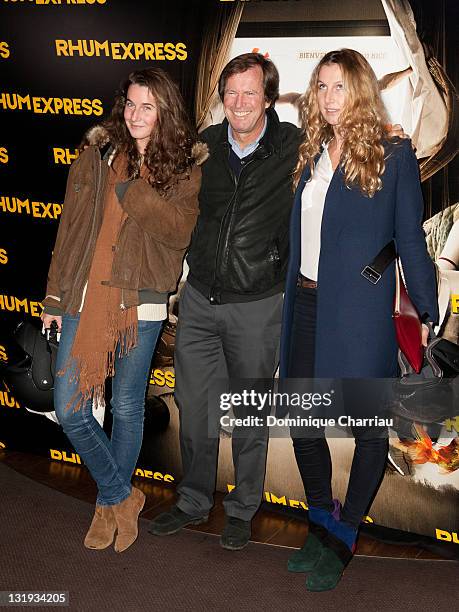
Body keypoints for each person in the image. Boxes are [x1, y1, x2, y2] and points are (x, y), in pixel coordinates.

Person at [279, 49, 439, 590]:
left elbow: (410, 238)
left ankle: (345, 534)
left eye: (339, 86)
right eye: (320, 86)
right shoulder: (312, 151)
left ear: (361, 91)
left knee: (368, 431)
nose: (327, 97)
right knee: (302, 422)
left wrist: (426, 312)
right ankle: (321, 519)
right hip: (304, 306)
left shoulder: (394, 154)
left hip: (361, 313)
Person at [41, 68, 206, 553]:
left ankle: (104, 506)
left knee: (127, 406)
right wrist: (53, 297)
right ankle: (119, 494)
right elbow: (69, 227)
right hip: (85, 298)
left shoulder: (184, 167)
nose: (136, 115)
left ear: (165, 111)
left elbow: (179, 232)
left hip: (143, 299)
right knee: (70, 407)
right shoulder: (95, 157)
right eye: (131, 104)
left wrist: (132, 189)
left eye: (148, 106)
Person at [149, 53, 301, 550]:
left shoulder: (292, 147)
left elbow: (349, 149)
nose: (238, 104)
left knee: (250, 415)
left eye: (249, 93)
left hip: (258, 304)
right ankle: (193, 501)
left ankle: (242, 509)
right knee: (195, 409)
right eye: (230, 93)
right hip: (198, 301)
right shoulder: (205, 147)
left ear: (268, 98)